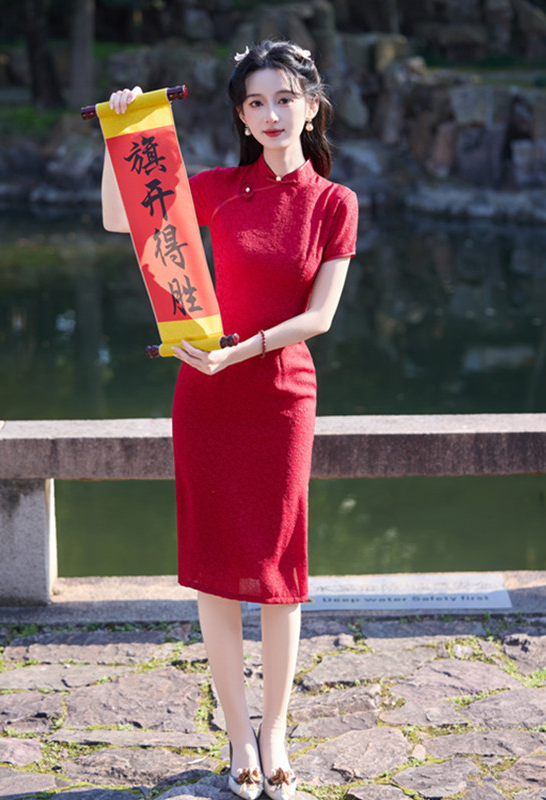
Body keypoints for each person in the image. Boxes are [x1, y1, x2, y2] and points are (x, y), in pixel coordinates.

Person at [101, 40, 358, 799]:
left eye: (284, 99)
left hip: (280, 394)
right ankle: (237, 732)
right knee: (215, 568)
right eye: (255, 103)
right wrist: (119, 133)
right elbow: (122, 219)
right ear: (242, 117)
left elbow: (319, 317)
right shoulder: (218, 189)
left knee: (280, 569)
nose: (271, 114)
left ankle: (276, 728)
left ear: (310, 106)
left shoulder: (334, 202)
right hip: (206, 397)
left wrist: (240, 351)